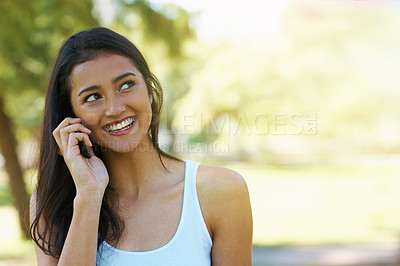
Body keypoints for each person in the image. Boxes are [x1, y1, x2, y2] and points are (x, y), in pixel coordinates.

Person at [29, 27, 253, 265]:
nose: (115, 108)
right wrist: (88, 194)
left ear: (148, 90)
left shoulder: (221, 191)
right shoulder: (52, 204)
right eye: (93, 97)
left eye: (126, 85)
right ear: (71, 117)